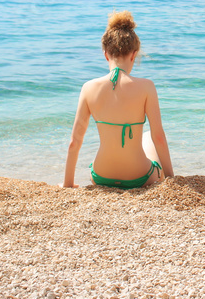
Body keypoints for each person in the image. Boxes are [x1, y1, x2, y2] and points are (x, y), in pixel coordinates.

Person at [63, 11, 173, 189]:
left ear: (106, 54)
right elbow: (158, 138)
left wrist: (68, 184)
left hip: (100, 176)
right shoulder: (147, 87)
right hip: (140, 176)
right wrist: (172, 180)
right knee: (147, 137)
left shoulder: (88, 87)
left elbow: (74, 142)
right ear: (133, 54)